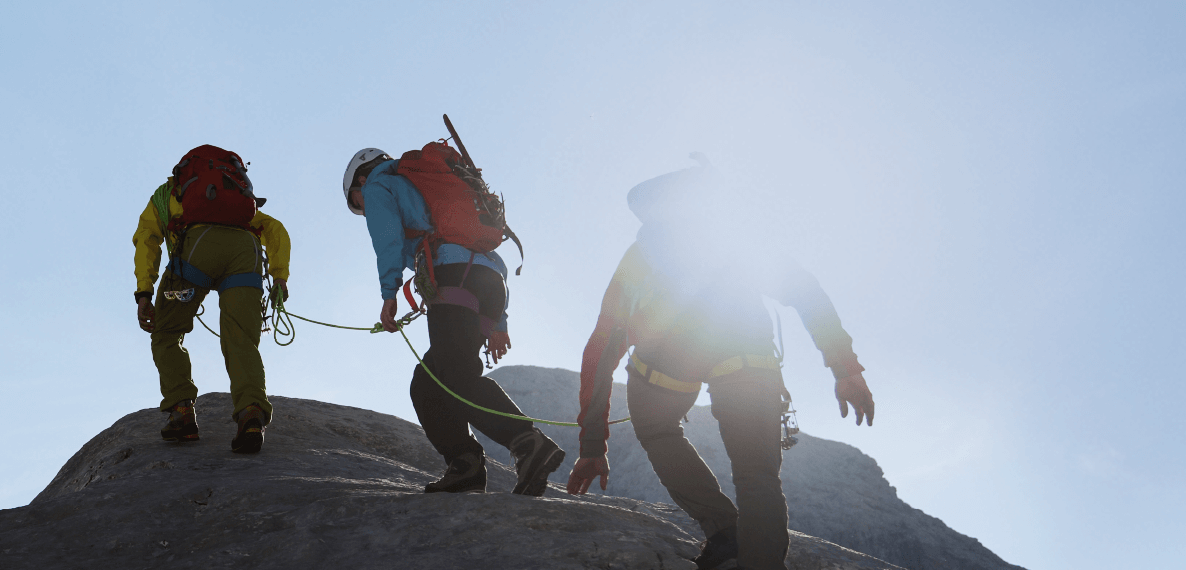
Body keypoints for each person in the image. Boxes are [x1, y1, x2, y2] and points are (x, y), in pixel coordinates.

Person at [563, 157, 877, 570]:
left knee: (656, 429)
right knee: (757, 476)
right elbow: (806, 292)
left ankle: (724, 532)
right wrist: (846, 370)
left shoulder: (641, 255)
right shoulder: (737, 239)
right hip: (750, 361)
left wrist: (591, 447)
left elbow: (603, 347)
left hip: (663, 373)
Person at [341, 147, 565, 495]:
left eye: (358, 202)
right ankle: (466, 465)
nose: (363, 207)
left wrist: (389, 293)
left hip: (453, 273)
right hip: (489, 278)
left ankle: (526, 442)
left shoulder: (378, 184)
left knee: (454, 375)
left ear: (361, 178)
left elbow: (387, 239)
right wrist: (498, 322)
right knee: (428, 383)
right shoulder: (426, 180)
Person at [133, 144, 290, 454]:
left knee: (166, 333)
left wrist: (144, 292)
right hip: (244, 253)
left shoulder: (168, 194)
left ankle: (181, 413)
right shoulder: (238, 203)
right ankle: (251, 414)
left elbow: (147, 240)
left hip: (194, 260)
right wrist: (280, 274)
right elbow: (275, 230)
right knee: (241, 339)